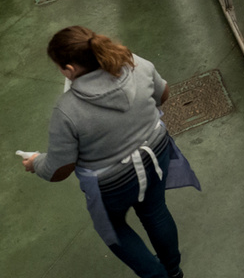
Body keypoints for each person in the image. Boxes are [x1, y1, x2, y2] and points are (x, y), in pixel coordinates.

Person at [25, 27, 197, 277]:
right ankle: (173, 270)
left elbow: (60, 169)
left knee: (113, 228)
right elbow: (163, 94)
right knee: (156, 211)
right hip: (156, 154)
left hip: (113, 184)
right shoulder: (135, 63)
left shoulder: (67, 110)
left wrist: (35, 163)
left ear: (70, 70)